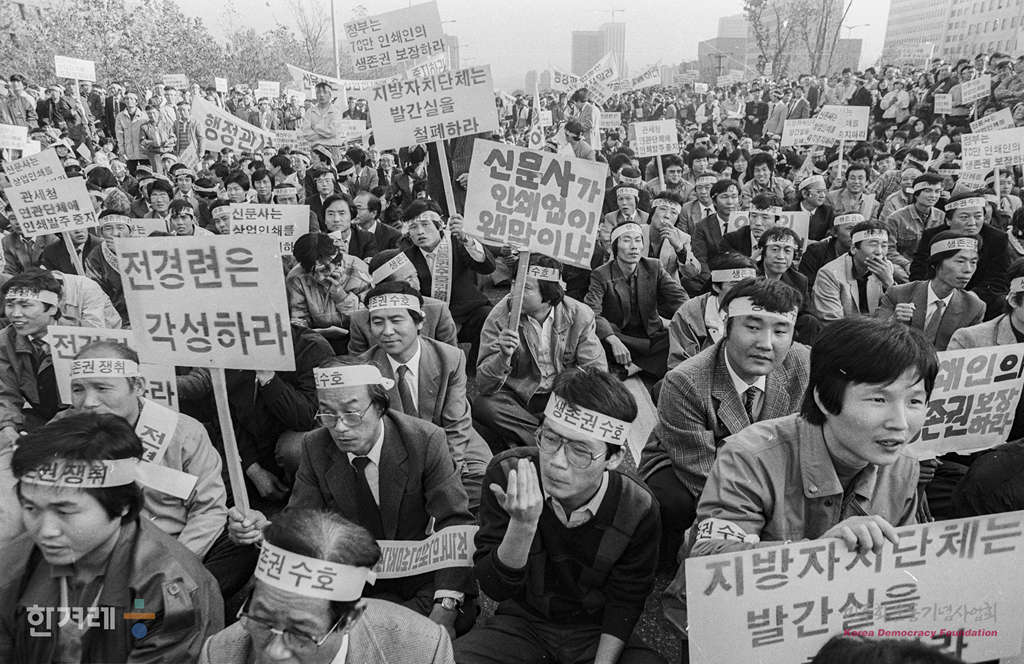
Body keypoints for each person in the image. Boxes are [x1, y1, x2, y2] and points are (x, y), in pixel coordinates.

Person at [663, 317, 936, 636]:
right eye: (879, 399)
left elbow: (902, 563)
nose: (900, 423)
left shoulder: (904, 466)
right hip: (745, 623)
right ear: (824, 398)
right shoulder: (749, 456)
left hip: (837, 617)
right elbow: (710, 560)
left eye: (914, 401)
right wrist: (816, 553)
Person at [227, 361, 477, 636]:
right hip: (351, 581)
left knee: (427, 628)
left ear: (379, 407)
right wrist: (263, 530)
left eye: (351, 413)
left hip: (419, 579)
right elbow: (301, 521)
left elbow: (454, 522)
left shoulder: (425, 440)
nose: (340, 427)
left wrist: (446, 606)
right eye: (328, 414)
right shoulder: (315, 446)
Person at [454, 368, 665, 664]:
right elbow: (495, 588)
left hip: (594, 630)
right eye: (550, 438)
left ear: (614, 458)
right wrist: (522, 525)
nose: (556, 462)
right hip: (524, 623)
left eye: (580, 451)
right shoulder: (508, 474)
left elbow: (626, 600)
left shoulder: (637, 505)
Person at [0, 412, 223, 661]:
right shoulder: (12, 566)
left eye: (64, 511)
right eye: (31, 508)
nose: (45, 530)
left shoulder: (171, 589)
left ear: (122, 505)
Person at [640, 278, 810, 562]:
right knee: (673, 500)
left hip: (772, 465)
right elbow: (701, 471)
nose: (766, 344)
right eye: (752, 327)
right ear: (725, 324)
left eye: (781, 331)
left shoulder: (802, 363)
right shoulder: (685, 381)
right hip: (693, 461)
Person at [201, 508, 454, 663]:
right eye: (262, 621)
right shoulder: (219, 654)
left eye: (301, 633)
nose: (274, 652)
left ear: (349, 619)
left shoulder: (422, 650)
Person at [354, 282, 492, 512]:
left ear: (419, 322)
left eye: (396, 320)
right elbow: (372, 435)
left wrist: (444, 474)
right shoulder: (363, 369)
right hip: (396, 449)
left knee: (485, 482)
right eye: (378, 322)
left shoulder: (450, 358)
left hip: (448, 438)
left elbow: (456, 424)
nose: (387, 331)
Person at [474, 256, 607, 450]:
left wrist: (572, 393)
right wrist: (503, 356)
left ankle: (531, 439)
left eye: (526, 288)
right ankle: (552, 439)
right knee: (485, 406)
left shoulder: (580, 314)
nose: (515, 292)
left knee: (599, 401)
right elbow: (483, 383)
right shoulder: (499, 318)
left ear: (549, 294)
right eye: (514, 283)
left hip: (562, 394)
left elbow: (596, 371)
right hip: (519, 396)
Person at [585, 222, 688, 380]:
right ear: (615, 246)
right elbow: (592, 312)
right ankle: (649, 364)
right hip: (621, 336)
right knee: (597, 338)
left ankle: (634, 367)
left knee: (680, 336)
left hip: (651, 334)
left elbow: (679, 298)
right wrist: (612, 338)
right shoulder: (601, 274)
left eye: (638, 240)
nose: (634, 246)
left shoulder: (654, 266)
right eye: (626, 240)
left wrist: (688, 318)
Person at [400, 200, 496, 370]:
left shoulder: (458, 242)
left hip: (466, 312)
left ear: (439, 225)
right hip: (429, 318)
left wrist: (467, 239)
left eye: (425, 224)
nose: (420, 232)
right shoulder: (406, 255)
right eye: (413, 227)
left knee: (487, 316)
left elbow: (487, 267)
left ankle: (476, 367)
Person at [875, 232, 985, 351]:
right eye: (960, 261)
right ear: (936, 264)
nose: (968, 269)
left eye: (973, 262)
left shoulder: (974, 307)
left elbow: (973, 351)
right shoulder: (898, 294)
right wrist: (893, 321)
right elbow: (875, 338)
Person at [911, 192, 1010, 320]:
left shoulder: (997, 239)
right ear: (948, 220)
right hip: (937, 294)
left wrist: (970, 298)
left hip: (978, 297)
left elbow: (1000, 278)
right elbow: (919, 270)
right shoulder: (932, 237)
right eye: (964, 217)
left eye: (978, 216)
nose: (972, 223)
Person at [348, 249, 458, 354]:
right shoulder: (360, 319)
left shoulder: (437, 309)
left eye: (415, 275)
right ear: (385, 286)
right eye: (408, 279)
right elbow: (357, 360)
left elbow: (451, 355)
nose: (416, 283)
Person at [667, 254, 757, 370]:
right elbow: (680, 367)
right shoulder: (690, 313)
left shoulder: (763, 310)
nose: (743, 292)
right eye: (735, 285)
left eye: (749, 285)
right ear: (716, 286)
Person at [286, 232, 372, 353]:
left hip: (356, 337)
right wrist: (315, 333)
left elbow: (367, 317)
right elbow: (298, 320)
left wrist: (341, 296)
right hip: (317, 339)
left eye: (324, 270)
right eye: (312, 272)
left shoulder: (357, 269)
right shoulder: (297, 277)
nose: (320, 278)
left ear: (337, 261)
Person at [812, 220, 895, 321]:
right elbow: (832, 322)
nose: (879, 252)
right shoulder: (829, 274)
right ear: (853, 249)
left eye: (884, 246)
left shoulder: (886, 268)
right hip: (845, 330)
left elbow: (895, 311)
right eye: (873, 244)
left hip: (877, 328)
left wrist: (889, 283)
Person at [886, 173, 946, 273]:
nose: (933, 196)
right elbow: (888, 249)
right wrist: (906, 264)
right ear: (916, 194)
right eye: (928, 191)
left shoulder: (942, 217)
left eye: (937, 191)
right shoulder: (895, 218)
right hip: (904, 265)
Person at [692, 179, 743, 284]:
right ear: (714, 201)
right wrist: (714, 282)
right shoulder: (702, 226)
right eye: (724, 197)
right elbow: (701, 259)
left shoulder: (747, 222)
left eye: (734, 197)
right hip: (713, 277)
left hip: (743, 277)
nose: (730, 202)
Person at [322, 194, 379, 261]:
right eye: (331, 214)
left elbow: (370, 266)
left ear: (351, 215)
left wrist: (347, 258)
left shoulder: (367, 239)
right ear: (324, 219)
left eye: (342, 213)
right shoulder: (317, 240)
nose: (336, 219)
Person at [788, 174, 835, 241]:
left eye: (824, 191)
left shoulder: (828, 211)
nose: (823, 195)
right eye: (818, 192)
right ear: (804, 193)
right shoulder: (789, 210)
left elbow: (831, 234)